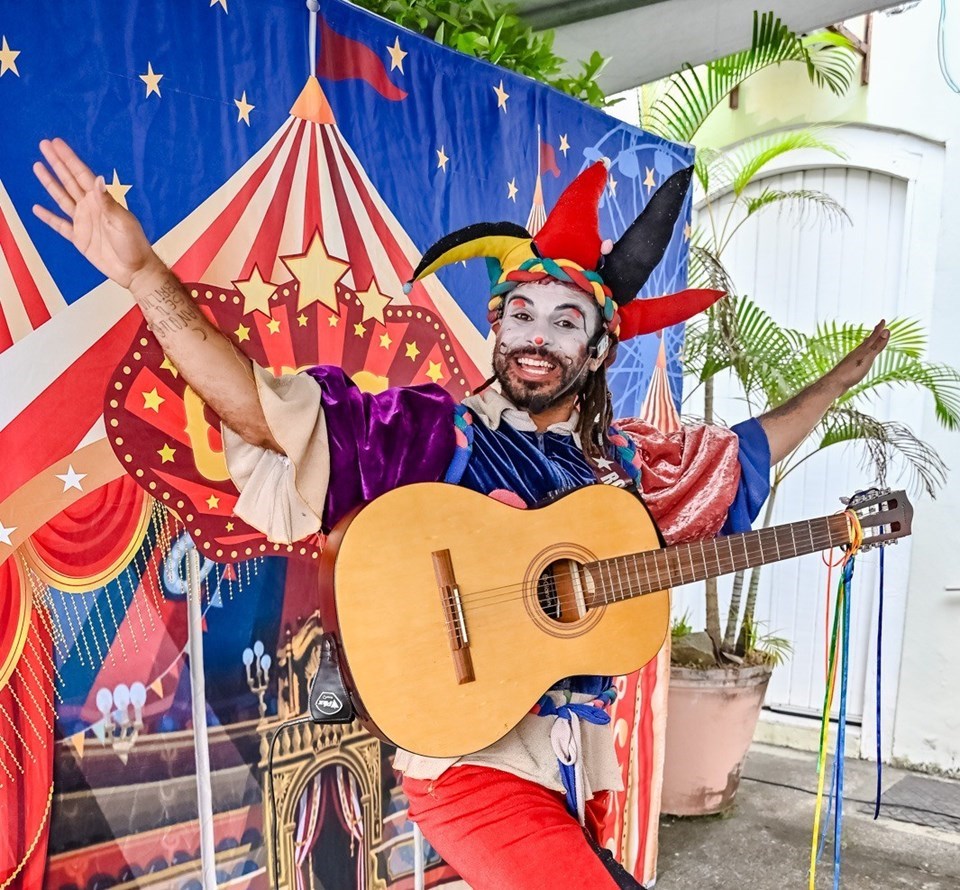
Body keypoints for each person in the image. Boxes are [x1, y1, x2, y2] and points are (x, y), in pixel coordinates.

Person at [33, 137, 889, 889]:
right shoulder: (430, 435)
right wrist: (144, 275)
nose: (535, 337)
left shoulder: (623, 474)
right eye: (521, 312)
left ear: (597, 351)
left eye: (565, 322)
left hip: (567, 771)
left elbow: (744, 453)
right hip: (466, 764)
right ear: (495, 320)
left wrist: (836, 386)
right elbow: (265, 413)